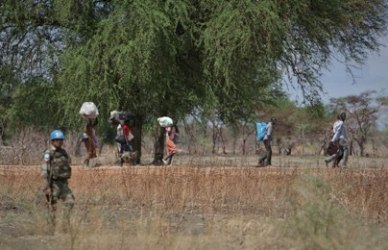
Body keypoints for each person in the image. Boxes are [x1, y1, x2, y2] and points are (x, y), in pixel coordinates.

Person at [40, 130, 74, 233]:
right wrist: (46, 187)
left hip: (64, 183)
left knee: (70, 201)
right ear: (52, 141)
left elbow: (68, 164)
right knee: (52, 207)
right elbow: (44, 170)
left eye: (61, 140)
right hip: (53, 183)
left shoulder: (63, 152)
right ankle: (51, 229)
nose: (59, 142)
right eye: (57, 140)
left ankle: (65, 226)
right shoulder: (48, 153)